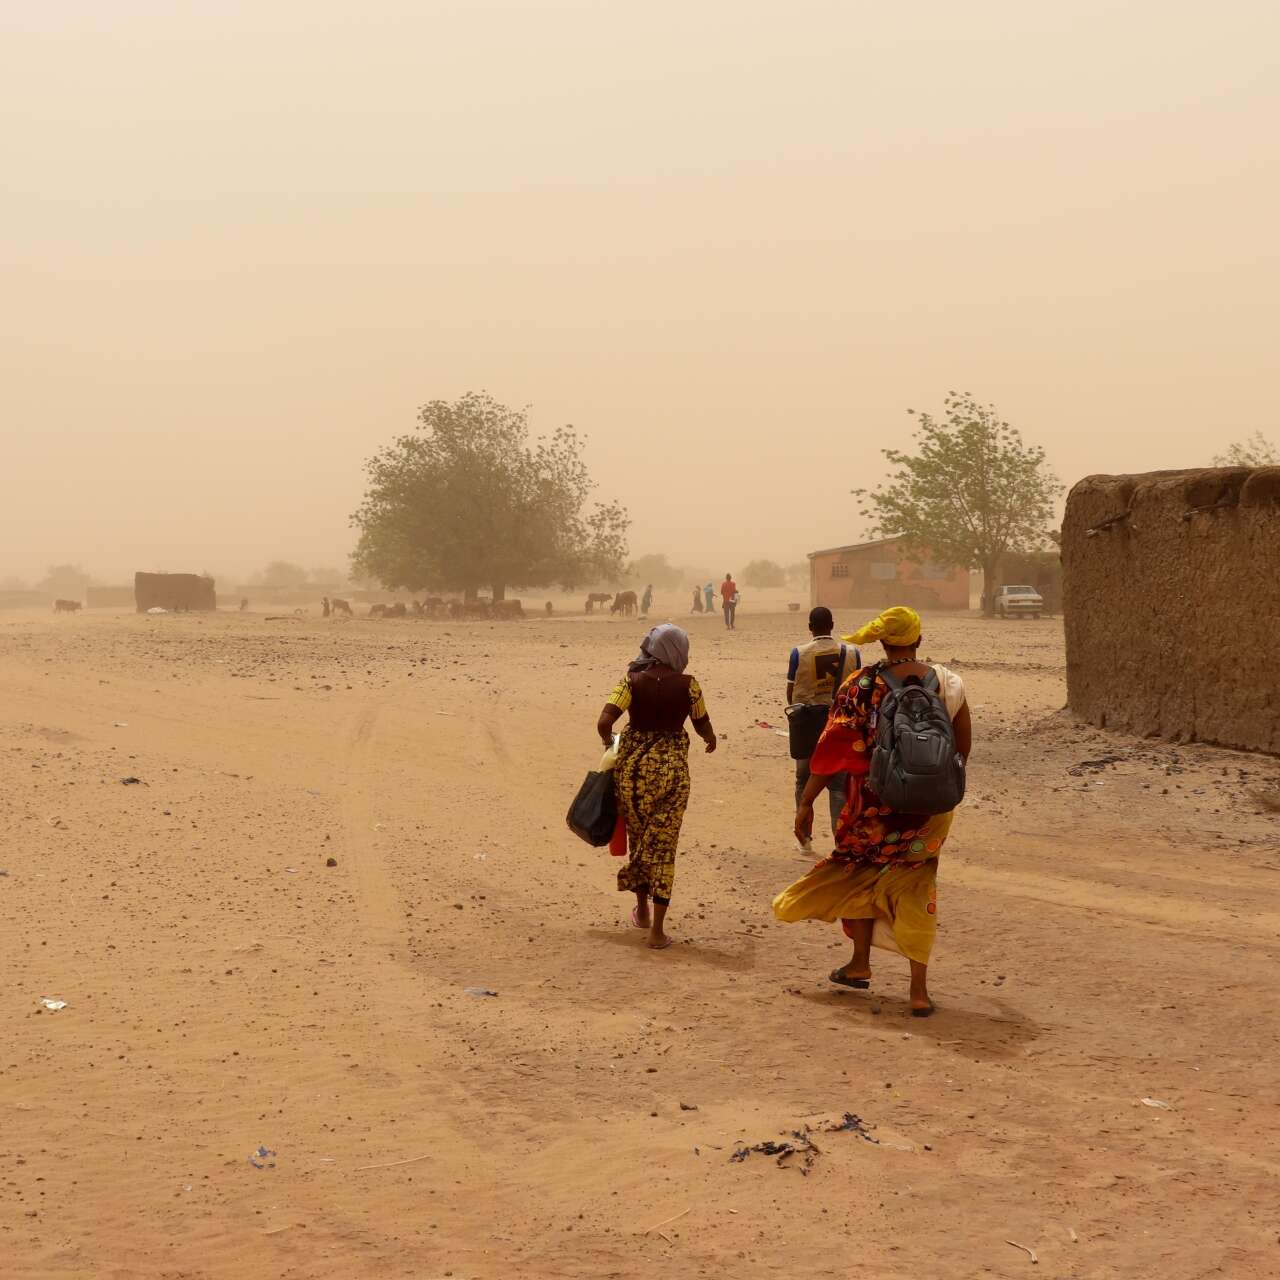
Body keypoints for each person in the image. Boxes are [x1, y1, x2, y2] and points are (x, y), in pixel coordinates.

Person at [772, 606, 971, 1017]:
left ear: (883, 641)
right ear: (918, 638)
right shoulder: (948, 683)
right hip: (929, 811)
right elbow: (962, 748)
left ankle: (861, 961)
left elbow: (831, 754)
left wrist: (807, 801)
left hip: (870, 806)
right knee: (917, 886)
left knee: (857, 873)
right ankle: (918, 990)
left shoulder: (860, 684)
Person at [597, 624, 716, 950]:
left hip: (634, 776)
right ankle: (657, 932)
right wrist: (710, 740)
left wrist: (611, 745)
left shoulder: (631, 681)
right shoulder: (689, 685)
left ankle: (643, 911)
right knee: (663, 848)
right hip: (673, 776)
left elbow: (604, 721)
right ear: (678, 651)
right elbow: (702, 721)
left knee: (639, 840)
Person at [786, 607, 857, 843]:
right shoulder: (852, 653)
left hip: (807, 726)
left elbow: (791, 693)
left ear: (809, 627)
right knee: (838, 785)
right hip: (839, 727)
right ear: (832, 624)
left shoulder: (799, 653)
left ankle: (804, 838)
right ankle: (840, 842)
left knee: (803, 781)